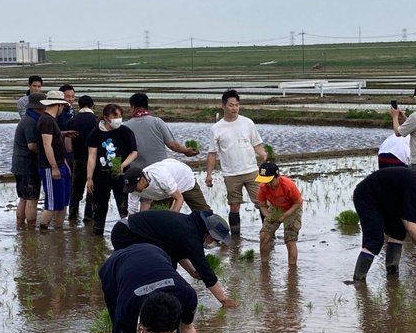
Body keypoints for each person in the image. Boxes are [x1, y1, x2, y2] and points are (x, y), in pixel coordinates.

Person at [110, 210, 238, 308]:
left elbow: (176, 251)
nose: (214, 243)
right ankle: (127, 300)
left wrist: (192, 272)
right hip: (125, 234)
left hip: (131, 230)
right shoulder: (191, 235)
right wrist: (224, 300)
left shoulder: (191, 226)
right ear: (209, 234)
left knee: (167, 270)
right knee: (141, 274)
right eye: (216, 240)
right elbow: (206, 272)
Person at [350, 167, 416, 282]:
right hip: (367, 196)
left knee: (398, 231)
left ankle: (392, 275)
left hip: (386, 200)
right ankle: (358, 281)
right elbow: (412, 227)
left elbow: (411, 226)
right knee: (374, 240)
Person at [205, 89, 268, 235]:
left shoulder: (247, 123)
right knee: (234, 206)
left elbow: (256, 144)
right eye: (231, 105)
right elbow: (212, 153)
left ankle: (268, 233)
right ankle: (235, 237)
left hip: (251, 170)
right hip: (231, 173)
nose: (234, 108)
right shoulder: (216, 129)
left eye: (237, 105)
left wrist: (265, 156)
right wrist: (209, 174)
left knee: (262, 203)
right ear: (223, 106)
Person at [86, 104, 138, 235]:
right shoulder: (96, 133)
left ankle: (128, 233)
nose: (118, 119)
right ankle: (97, 236)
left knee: (124, 205)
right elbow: (92, 156)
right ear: (106, 118)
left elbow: (134, 153)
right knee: (99, 206)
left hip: (121, 174)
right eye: (115, 116)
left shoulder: (125, 132)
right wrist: (89, 178)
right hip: (101, 175)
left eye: (120, 116)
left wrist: (122, 165)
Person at [124, 92, 198, 170]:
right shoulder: (157, 122)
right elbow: (172, 145)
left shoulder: (126, 126)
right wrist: (186, 150)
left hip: (137, 171)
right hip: (160, 169)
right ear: (147, 106)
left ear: (132, 107)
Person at [122, 158, 211, 215]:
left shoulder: (161, 177)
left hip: (184, 180)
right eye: (131, 188)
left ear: (142, 180)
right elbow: (131, 213)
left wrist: (171, 219)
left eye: (134, 187)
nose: (133, 190)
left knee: (204, 213)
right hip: (164, 192)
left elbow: (179, 198)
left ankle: (219, 236)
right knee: (154, 218)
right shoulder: (133, 189)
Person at [255, 162, 303, 266]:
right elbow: (262, 205)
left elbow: (298, 202)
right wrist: (268, 215)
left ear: (277, 176)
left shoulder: (288, 185)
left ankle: (292, 270)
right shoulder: (263, 187)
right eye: (265, 181)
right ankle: (264, 266)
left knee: (290, 239)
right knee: (264, 235)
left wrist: (285, 216)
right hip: (275, 207)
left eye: (270, 181)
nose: (268, 184)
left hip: (292, 208)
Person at [36, 90, 72, 229]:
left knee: (62, 202)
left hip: (60, 164)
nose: (62, 109)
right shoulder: (46, 120)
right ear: (58, 105)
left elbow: (57, 145)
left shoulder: (52, 121)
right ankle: (43, 232)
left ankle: (59, 231)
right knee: (51, 204)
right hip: (49, 167)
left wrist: (64, 163)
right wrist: (54, 167)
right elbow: (47, 145)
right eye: (62, 106)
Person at [10, 92, 46, 227]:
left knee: (23, 198)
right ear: (39, 108)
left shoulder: (27, 118)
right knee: (32, 198)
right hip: (28, 166)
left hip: (19, 165)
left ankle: (21, 226)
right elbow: (32, 146)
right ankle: (31, 229)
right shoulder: (30, 122)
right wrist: (46, 152)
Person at [66, 95, 97, 222]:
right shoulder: (97, 121)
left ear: (79, 106)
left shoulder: (71, 122)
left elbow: (68, 147)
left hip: (78, 159)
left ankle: (72, 215)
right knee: (92, 188)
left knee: (76, 189)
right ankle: (88, 216)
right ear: (92, 105)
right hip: (94, 161)